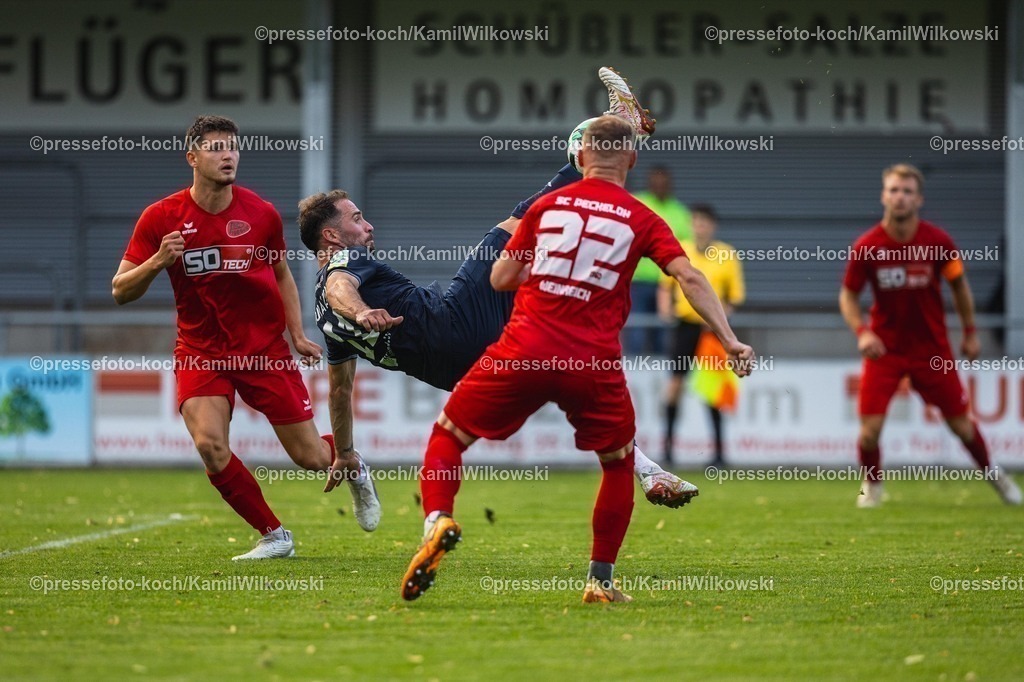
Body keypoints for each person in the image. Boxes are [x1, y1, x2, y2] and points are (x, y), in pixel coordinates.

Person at [399, 115, 755, 604]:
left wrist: (550, 274)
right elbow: (689, 278)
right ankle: (600, 581)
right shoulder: (644, 218)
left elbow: (501, 278)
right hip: (594, 362)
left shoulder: (546, 207)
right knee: (618, 463)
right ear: (630, 160)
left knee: (448, 436)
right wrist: (730, 339)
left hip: (524, 350)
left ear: (581, 157)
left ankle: (437, 521)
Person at [304, 68, 694, 509]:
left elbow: (339, 392)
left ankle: (649, 471)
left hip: (456, 369)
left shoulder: (325, 322)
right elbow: (341, 285)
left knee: (563, 382)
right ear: (331, 238)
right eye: (356, 218)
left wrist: (346, 449)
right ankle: (619, 134)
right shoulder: (343, 263)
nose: (368, 223)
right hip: (456, 317)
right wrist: (359, 310)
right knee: (512, 227)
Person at [112, 115, 381, 560]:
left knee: (312, 458)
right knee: (210, 446)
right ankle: (275, 535)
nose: (228, 155)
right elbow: (121, 290)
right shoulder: (160, 218)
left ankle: (351, 464)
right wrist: (158, 260)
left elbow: (281, 274)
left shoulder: (260, 214)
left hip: (263, 350)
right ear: (192, 157)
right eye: (216, 148)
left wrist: (296, 333)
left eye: (233, 147)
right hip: (200, 352)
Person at [838, 163, 1021, 508]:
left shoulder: (938, 241)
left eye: (907, 191)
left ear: (919, 199)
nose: (900, 197)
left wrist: (969, 332)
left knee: (962, 427)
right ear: (883, 196)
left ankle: (996, 477)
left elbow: (959, 286)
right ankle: (871, 487)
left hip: (931, 350)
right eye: (893, 190)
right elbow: (848, 295)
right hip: (885, 350)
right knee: (869, 430)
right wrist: (862, 332)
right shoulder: (867, 246)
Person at [658, 205, 745, 466]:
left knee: (712, 388)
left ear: (712, 226)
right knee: (675, 385)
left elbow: (734, 296)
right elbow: (665, 287)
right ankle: (668, 450)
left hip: (712, 331)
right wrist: (666, 311)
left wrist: (720, 320)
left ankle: (719, 453)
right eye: (696, 222)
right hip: (685, 326)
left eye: (705, 222)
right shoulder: (680, 250)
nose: (700, 227)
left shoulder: (726, 254)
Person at [626, 166, 692, 355]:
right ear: (649, 184)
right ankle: (634, 376)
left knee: (662, 332)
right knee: (636, 331)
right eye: (656, 182)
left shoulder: (680, 213)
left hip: (667, 284)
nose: (660, 186)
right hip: (636, 282)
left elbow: (688, 249)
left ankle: (660, 376)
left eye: (664, 183)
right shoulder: (638, 203)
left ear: (670, 185)